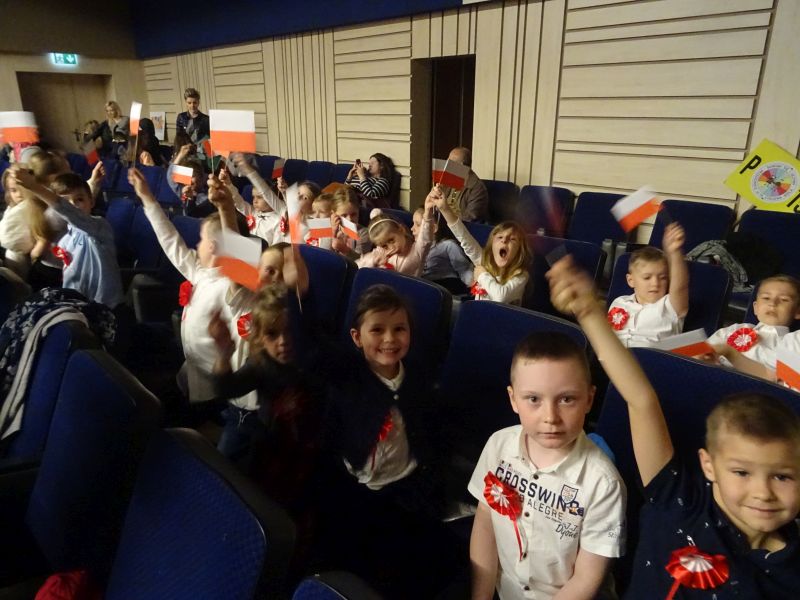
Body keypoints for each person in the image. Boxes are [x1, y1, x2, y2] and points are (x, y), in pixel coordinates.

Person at [548, 255, 800, 599]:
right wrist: (589, 312)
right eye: (742, 472)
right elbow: (641, 399)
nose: (762, 493)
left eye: (783, 477)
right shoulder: (678, 496)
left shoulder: (790, 573)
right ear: (708, 464)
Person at [469, 331, 626, 600]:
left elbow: (587, 578)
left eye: (566, 399)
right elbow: (486, 522)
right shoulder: (499, 445)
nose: (550, 417)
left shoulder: (603, 483)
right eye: (533, 399)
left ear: (589, 400)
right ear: (513, 399)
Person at [128, 167, 231, 403]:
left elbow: (246, 259)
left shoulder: (230, 285)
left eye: (202, 239)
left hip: (212, 378)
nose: (196, 244)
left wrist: (226, 208)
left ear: (214, 246)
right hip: (191, 366)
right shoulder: (200, 271)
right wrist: (147, 198)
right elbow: (170, 241)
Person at [8, 168, 123, 309]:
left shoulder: (100, 226)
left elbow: (70, 212)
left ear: (92, 202)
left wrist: (34, 186)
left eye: (79, 199)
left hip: (105, 304)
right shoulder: (67, 235)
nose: (73, 205)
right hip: (78, 302)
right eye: (66, 201)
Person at [430, 184, 530, 304]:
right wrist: (445, 209)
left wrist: (482, 275)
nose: (504, 240)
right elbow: (464, 238)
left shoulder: (520, 275)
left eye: (512, 239)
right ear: (492, 246)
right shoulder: (484, 262)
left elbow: (500, 297)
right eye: (500, 237)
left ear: (520, 250)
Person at [606, 223, 689, 347]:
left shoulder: (670, 306)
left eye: (662, 278)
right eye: (647, 278)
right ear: (631, 280)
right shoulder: (620, 302)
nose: (655, 283)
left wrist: (675, 252)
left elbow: (680, 287)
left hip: (650, 357)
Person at [701, 275, 800, 379]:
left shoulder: (790, 344)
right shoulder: (735, 329)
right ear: (755, 308)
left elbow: (782, 379)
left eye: (784, 300)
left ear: (798, 311)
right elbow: (699, 352)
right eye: (766, 298)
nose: (772, 303)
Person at [356, 203, 434, 276]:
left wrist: (427, 212)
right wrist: (374, 262)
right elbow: (357, 266)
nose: (391, 247)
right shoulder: (381, 253)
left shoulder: (417, 250)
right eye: (384, 246)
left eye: (391, 240)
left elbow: (426, 234)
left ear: (401, 230)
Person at [412, 206, 472, 294]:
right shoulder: (413, 247)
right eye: (413, 224)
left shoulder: (448, 245)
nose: (412, 229)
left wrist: (474, 287)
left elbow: (464, 270)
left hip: (446, 286)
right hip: (425, 286)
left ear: (434, 228)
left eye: (417, 225)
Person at [445, 146, 489, 222]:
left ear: (460, 166)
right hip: (442, 222)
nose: (446, 164)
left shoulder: (477, 188)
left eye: (450, 161)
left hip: (458, 226)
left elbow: (469, 218)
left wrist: (446, 214)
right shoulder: (447, 179)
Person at [330, 186, 371, 258]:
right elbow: (320, 255)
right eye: (344, 215)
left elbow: (361, 262)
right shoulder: (326, 228)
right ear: (333, 214)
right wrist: (333, 233)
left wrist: (345, 250)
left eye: (354, 214)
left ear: (358, 211)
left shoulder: (364, 233)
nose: (349, 219)